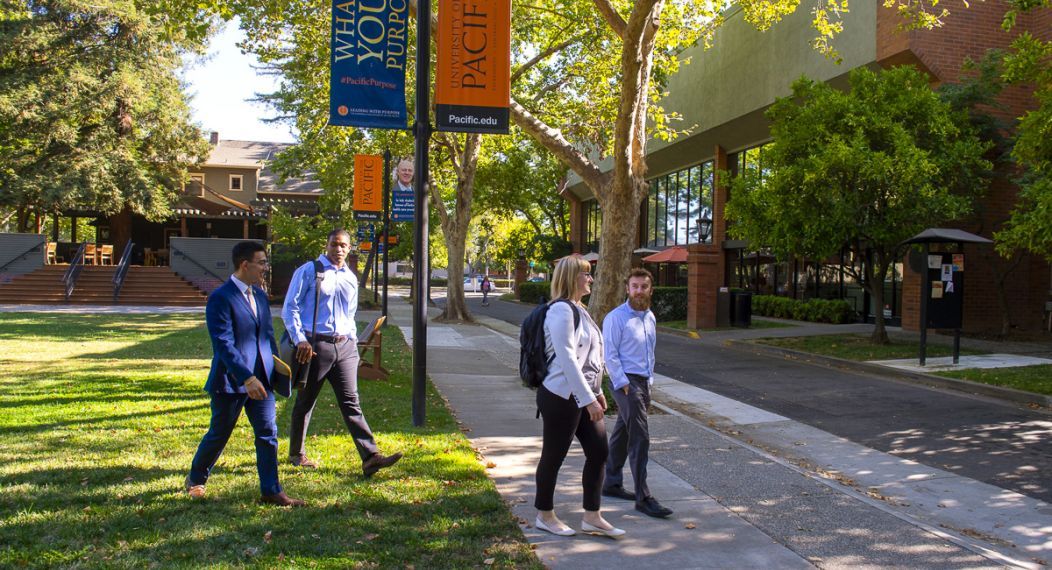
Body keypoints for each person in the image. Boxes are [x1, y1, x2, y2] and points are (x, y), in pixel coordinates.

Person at [186, 241, 304, 507]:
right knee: (220, 432)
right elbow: (223, 344)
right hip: (232, 381)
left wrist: (276, 370)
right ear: (245, 264)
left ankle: (271, 490)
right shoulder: (221, 297)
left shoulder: (260, 295)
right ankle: (196, 479)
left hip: (262, 379)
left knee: (267, 433)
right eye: (261, 263)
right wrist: (246, 378)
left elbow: (267, 336)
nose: (265, 268)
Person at [282, 228, 403, 476]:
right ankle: (297, 453)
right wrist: (300, 339)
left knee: (351, 402)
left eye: (343, 246)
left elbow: (350, 314)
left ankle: (370, 457)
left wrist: (353, 343)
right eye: (334, 244)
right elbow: (290, 308)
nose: (338, 249)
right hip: (315, 347)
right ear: (326, 245)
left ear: (349, 248)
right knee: (306, 401)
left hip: (345, 347)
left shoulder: (350, 277)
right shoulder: (309, 271)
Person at [533, 256, 624, 538]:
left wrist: (597, 391)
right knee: (554, 455)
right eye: (586, 274)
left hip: (583, 395)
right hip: (560, 396)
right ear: (572, 278)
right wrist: (588, 399)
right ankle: (545, 515)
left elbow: (591, 359)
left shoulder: (579, 309)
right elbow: (568, 360)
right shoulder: (560, 311)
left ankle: (592, 516)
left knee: (599, 452)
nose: (591, 279)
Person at [601, 268, 673, 518]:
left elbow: (650, 352)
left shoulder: (650, 317)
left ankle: (611, 482)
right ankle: (643, 497)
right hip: (626, 383)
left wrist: (649, 381)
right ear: (627, 289)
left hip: (642, 382)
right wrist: (623, 384)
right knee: (640, 437)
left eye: (644, 286)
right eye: (635, 286)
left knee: (622, 432)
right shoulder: (616, 317)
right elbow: (609, 354)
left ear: (650, 289)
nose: (639, 291)